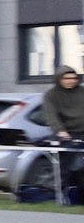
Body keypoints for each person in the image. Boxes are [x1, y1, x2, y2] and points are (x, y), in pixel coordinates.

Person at [45, 66, 84, 204]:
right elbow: (51, 116)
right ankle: (67, 194)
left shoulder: (81, 92)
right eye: (67, 78)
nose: (71, 81)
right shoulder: (52, 95)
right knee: (68, 166)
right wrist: (61, 131)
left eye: (73, 78)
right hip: (67, 135)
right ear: (59, 79)